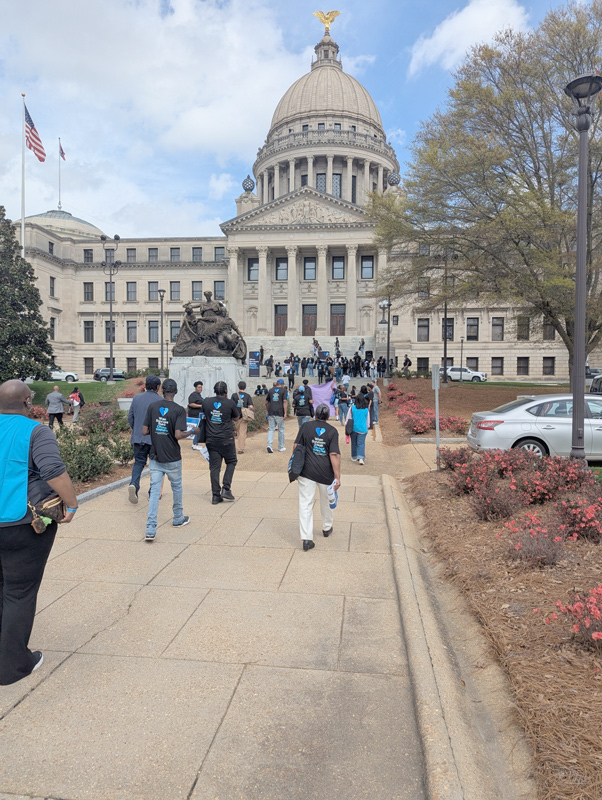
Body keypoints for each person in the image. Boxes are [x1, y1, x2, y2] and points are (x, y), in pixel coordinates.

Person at [0, 379, 78, 685]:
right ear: (27, 403)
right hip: (22, 524)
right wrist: (71, 505)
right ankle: (12, 666)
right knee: (19, 593)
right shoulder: (35, 430)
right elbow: (52, 470)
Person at [142, 378, 191, 541]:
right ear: (176, 392)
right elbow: (178, 434)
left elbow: (144, 431)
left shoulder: (152, 407)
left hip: (156, 456)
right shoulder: (178, 410)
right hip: (172, 456)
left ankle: (150, 528)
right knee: (176, 487)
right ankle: (178, 518)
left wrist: (158, 432)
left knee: (155, 492)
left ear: (162, 390)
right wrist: (193, 431)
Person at [293, 403, 341, 551]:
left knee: (305, 503)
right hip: (325, 472)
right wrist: (337, 477)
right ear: (327, 416)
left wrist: (295, 467)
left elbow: (296, 446)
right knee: (326, 500)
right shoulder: (332, 431)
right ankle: (327, 527)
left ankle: (307, 538)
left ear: (314, 414)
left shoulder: (306, 426)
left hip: (306, 471)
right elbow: (334, 454)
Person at [200, 381, 241, 503]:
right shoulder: (230, 403)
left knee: (214, 468)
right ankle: (226, 488)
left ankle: (215, 495)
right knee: (232, 461)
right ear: (226, 391)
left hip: (211, 438)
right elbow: (236, 417)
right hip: (226, 438)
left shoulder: (206, 401)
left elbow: (204, 414)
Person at [127, 374, 162, 504]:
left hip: (138, 437)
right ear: (158, 387)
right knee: (155, 465)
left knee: (139, 462)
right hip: (154, 439)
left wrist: (136, 428)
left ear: (146, 385)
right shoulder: (160, 401)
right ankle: (152, 491)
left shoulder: (136, 398)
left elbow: (130, 417)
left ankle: (134, 484)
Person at [266, 378, 288, 453]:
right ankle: (281, 446)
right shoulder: (284, 391)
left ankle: (269, 445)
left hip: (271, 411)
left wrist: (268, 410)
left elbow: (266, 402)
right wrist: (285, 413)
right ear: (282, 384)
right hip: (280, 412)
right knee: (281, 429)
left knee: (271, 429)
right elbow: (284, 401)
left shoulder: (271, 390)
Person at [231, 380, 253, 454]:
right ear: (245, 387)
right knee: (242, 432)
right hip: (244, 416)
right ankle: (240, 448)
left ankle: (235, 446)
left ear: (238, 386)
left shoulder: (234, 395)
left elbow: (231, 405)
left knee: (237, 432)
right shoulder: (247, 396)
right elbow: (251, 406)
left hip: (235, 416)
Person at [349, 391, 369, 465]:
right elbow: (368, 420)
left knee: (354, 443)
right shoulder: (366, 409)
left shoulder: (352, 408)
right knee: (361, 443)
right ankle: (361, 457)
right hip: (363, 428)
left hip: (354, 428)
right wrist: (367, 427)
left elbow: (349, 418)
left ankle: (354, 456)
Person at [187, 380, 204, 451]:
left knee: (198, 428)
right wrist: (200, 406)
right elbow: (191, 404)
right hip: (194, 415)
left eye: (201, 387)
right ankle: (194, 444)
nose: (200, 389)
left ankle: (196, 443)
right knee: (196, 428)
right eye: (199, 387)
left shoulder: (199, 395)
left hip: (199, 415)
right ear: (195, 388)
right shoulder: (193, 395)